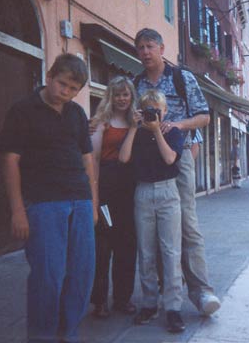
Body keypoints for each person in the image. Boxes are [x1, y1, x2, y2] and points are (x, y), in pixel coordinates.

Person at [0, 54, 98, 343]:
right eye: (62, 84)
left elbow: (87, 160)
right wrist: (17, 210)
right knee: (48, 278)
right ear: (50, 74)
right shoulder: (22, 110)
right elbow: (10, 160)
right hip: (43, 203)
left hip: (79, 201)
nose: (65, 92)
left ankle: (68, 335)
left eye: (72, 89)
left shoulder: (77, 113)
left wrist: (92, 202)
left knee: (81, 276)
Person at [133, 28, 221, 315]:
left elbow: (204, 116)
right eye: (140, 47)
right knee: (155, 232)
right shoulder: (137, 83)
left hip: (178, 155)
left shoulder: (182, 78)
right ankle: (162, 290)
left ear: (161, 48)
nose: (145, 52)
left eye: (150, 46)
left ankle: (201, 292)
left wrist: (177, 126)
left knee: (188, 224)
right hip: (148, 160)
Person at [119, 89, 186, 333]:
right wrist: (135, 127)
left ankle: (173, 308)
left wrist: (156, 129)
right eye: (147, 110)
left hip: (168, 192)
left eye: (155, 111)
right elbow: (124, 158)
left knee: (170, 251)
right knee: (146, 251)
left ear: (164, 111)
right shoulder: (135, 134)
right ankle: (149, 303)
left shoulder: (173, 132)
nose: (151, 115)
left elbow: (170, 159)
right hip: (143, 192)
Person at [89, 76, 138, 318]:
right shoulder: (101, 123)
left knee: (127, 246)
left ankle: (122, 298)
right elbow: (94, 161)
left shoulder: (136, 122)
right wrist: (94, 197)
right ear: (111, 96)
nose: (121, 98)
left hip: (130, 190)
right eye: (117, 94)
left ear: (132, 97)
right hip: (107, 187)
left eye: (126, 94)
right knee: (103, 246)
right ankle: (99, 301)